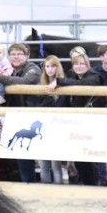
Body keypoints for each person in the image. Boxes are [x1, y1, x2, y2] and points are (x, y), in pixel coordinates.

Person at [0, 42, 42, 183]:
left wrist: (0, 78)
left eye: (20, 54)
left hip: (31, 117)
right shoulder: (6, 68)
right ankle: (23, 183)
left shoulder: (33, 69)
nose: (16, 57)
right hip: (11, 116)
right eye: (13, 54)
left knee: (33, 154)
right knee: (17, 152)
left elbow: (25, 81)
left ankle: (35, 183)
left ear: (27, 55)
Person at [50, 46, 101, 186]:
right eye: (76, 64)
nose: (79, 67)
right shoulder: (71, 77)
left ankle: (92, 185)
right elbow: (64, 100)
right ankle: (80, 184)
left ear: (87, 65)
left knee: (89, 158)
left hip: (91, 124)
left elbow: (83, 84)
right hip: (74, 124)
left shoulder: (94, 76)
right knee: (77, 158)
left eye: (82, 64)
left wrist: (60, 81)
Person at [36, 55, 65, 185]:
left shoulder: (64, 84)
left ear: (58, 68)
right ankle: (44, 189)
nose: (50, 70)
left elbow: (63, 105)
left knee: (56, 165)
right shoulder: (40, 85)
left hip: (59, 128)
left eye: (53, 66)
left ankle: (58, 188)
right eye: (47, 66)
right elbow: (36, 105)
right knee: (43, 164)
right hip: (43, 128)